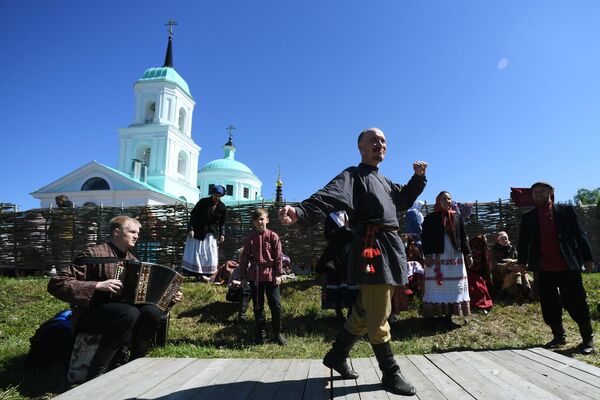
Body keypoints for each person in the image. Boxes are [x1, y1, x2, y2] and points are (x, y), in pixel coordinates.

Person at [279, 127, 427, 396]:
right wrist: (300, 211)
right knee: (378, 316)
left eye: (383, 140)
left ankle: (337, 355)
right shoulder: (353, 176)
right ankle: (390, 372)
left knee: (363, 311)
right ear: (360, 147)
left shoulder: (384, 181)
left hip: (390, 248)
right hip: (373, 250)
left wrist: (417, 179)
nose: (379, 144)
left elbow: (403, 200)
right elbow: (328, 196)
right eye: (373, 140)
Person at [47, 216, 183, 381]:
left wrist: (170, 297)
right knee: (128, 313)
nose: (136, 236)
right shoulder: (93, 253)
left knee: (152, 312)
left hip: (122, 314)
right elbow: (57, 283)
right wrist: (97, 285)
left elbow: (146, 297)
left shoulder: (133, 260)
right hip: (90, 314)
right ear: (116, 232)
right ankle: (97, 372)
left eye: (137, 233)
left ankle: (136, 361)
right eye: (132, 231)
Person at [517, 181, 595, 354]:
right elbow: (523, 242)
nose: (538, 194)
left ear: (551, 192)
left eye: (542, 191)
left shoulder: (565, 211)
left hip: (567, 266)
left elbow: (579, 234)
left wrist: (588, 258)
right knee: (549, 304)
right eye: (535, 192)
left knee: (576, 301)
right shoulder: (528, 217)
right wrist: (521, 262)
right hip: (544, 269)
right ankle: (559, 336)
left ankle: (587, 339)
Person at [421, 191, 472, 326]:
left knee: (453, 286)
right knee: (437, 285)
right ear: (438, 201)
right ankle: (435, 316)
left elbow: (463, 237)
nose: (447, 201)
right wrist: (426, 255)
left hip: (455, 255)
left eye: (449, 199)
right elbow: (425, 238)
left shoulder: (457, 217)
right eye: (444, 199)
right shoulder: (430, 218)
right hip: (437, 255)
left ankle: (448, 316)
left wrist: (468, 254)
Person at [239, 208, 286, 345]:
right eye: (257, 220)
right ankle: (261, 334)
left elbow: (278, 256)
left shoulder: (273, 236)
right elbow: (244, 258)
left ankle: (277, 334)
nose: (260, 222)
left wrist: (278, 273)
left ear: (267, 220)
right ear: (253, 222)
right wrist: (243, 276)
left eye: (262, 219)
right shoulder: (251, 239)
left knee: (275, 305)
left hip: (271, 276)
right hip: (256, 276)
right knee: (258, 306)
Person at [316, 211, 358, 322]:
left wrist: (351, 231)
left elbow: (357, 232)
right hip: (335, 256)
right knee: (337, 283)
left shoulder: (350, 215)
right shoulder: (331, 217)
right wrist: (343, 230)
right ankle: (338, 312)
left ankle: (350, 311)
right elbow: (328, 235)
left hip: (350, 254)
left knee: (350, 283)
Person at [182, 185, 227, 277]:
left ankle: (208, 274)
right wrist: (191, 229)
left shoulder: (222, 207)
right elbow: (193, 216)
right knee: (197, 253)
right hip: (199, 231)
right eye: (215, 195)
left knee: (210, 253)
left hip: (211, 233)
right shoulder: (203, 202)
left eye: (219, 196)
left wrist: (222, 233)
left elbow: (222, 222)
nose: (217, 197)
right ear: (212, 194)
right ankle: (195, 273)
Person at [466, 235, 493, 313]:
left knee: (479, 286)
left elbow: (486, 265)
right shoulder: (471, 251)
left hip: (478, 274)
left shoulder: (483, 251)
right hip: (470, 273)